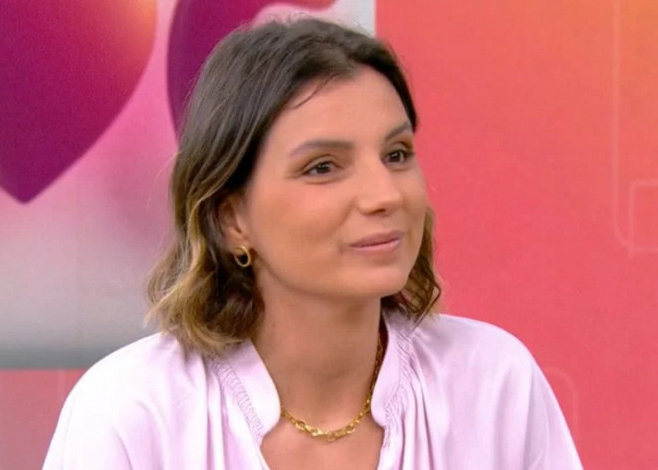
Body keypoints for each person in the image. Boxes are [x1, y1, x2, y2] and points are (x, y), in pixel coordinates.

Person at [43, 18, 583, 469]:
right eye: (323, 167)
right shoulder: (131, 412)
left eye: (396, 155)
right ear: (231, 219)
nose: (385, 195)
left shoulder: (493, 383)